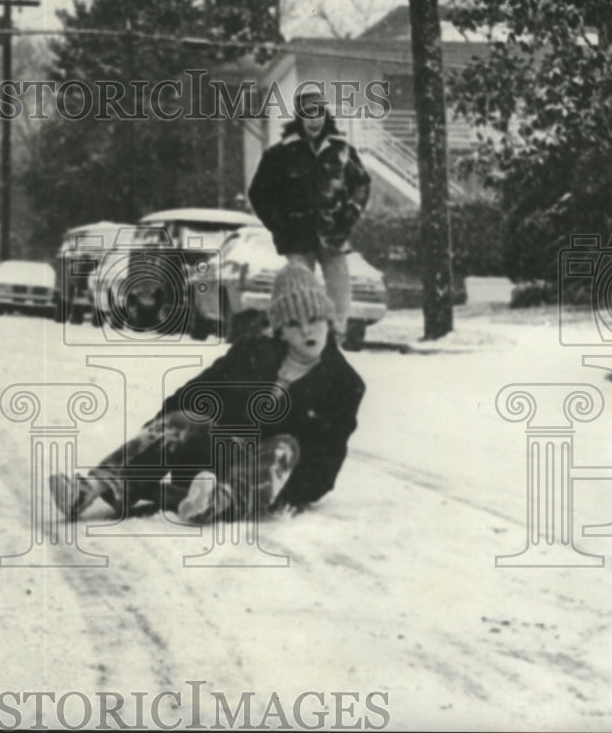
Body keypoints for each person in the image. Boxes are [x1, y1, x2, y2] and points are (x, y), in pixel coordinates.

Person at [48, 263, 366, 523]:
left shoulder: (344, 384)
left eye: (314, 321)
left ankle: (216, 503)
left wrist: (281, 495)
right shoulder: (252, 353)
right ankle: (93, 488)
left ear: (328, 320)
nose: (307, 331)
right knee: (184, 417)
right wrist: (157, 442)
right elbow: (194, 395)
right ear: (280, 329)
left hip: (266, 475)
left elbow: (324, 465)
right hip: (213, 459)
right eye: (295, 324)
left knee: (285, 445)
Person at [247, 88, 371, 342]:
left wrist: (351, 212)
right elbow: (259, 193)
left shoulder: (341, 151)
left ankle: (335, 335)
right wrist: (277, 223)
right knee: (301, 289)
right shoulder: (280, 154)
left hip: (333, 232)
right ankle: (302, 337)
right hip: (295, 235)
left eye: (319, 115)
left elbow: (362, 183)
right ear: (299, 118)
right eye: (308, 115)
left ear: (326, 117)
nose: (314, 121)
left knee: (339, 287)